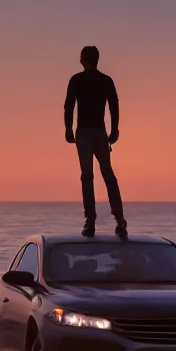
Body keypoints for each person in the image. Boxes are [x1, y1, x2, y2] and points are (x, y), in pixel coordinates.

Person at [64, 45, 127, 238]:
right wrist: (114, 128)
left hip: (85, 132)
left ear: (85, 59)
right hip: (99, 132)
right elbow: (114, 106)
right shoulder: (105, 80)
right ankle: (119, 220)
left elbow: (69, 106)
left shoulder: (78, 79)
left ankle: (90, 221)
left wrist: (67, 128)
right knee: (107, 173)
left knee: (87, 176)